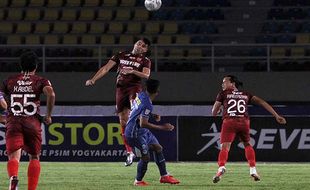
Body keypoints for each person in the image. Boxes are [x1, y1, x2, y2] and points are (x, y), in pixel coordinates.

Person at [85, 38, 152, 166]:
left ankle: (142, 143)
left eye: (143, 46)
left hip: (134, 88)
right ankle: (129, 152)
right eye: (138, 43)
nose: (139, 46)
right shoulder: (121, 54)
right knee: (122, 121)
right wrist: (94, 79)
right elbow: (106, 68)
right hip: (121, 89)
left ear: (145, 50)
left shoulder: (145, 61)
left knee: (134, 115)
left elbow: (146, 75)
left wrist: (132, 71)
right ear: (135, 44)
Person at [211, 75, 286, 183]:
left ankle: (221, 168)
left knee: (225, 148)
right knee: (247, 144)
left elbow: (214, 112)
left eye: (225, 82)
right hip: (244, 122)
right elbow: (262, 102)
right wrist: (276, 115)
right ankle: (253, 170)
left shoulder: (223, 94)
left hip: (229, 122)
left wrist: (218, 111)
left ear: (232, 83)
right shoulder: (245, 94)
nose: (222, 84)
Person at [1, 50, 55, 190]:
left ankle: (13, 178)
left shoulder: (9, 81)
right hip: (32, 122)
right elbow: (51, 94)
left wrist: (1, 115)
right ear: (36, 66)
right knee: (35, 157)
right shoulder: (40, 81)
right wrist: (48, 115)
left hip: (13, 122)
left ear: (20, 65)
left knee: (13, 156)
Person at [124, 79, 180, 186]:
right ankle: (138, 181)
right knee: (145, 157)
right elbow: (143, 123)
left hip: (142, 131)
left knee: (158, 148)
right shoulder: (147, 104)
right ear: (157, 91)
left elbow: (137, 110)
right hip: (134, 134)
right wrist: (163, 127)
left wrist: (152, 115)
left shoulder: (141, 95)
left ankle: (164, 176)